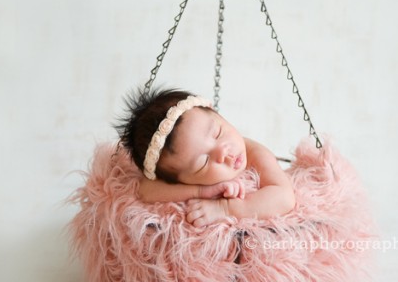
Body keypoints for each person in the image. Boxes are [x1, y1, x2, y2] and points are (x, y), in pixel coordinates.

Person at [115, 86, 296, 227]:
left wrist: (225, 209)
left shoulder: (255, 154)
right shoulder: (191, 180)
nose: (223, 152)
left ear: (216, 113)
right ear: (182, 180)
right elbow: (145, 190)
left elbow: (284, 197)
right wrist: (201, 192)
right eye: (204, 162)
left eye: (217, 133)